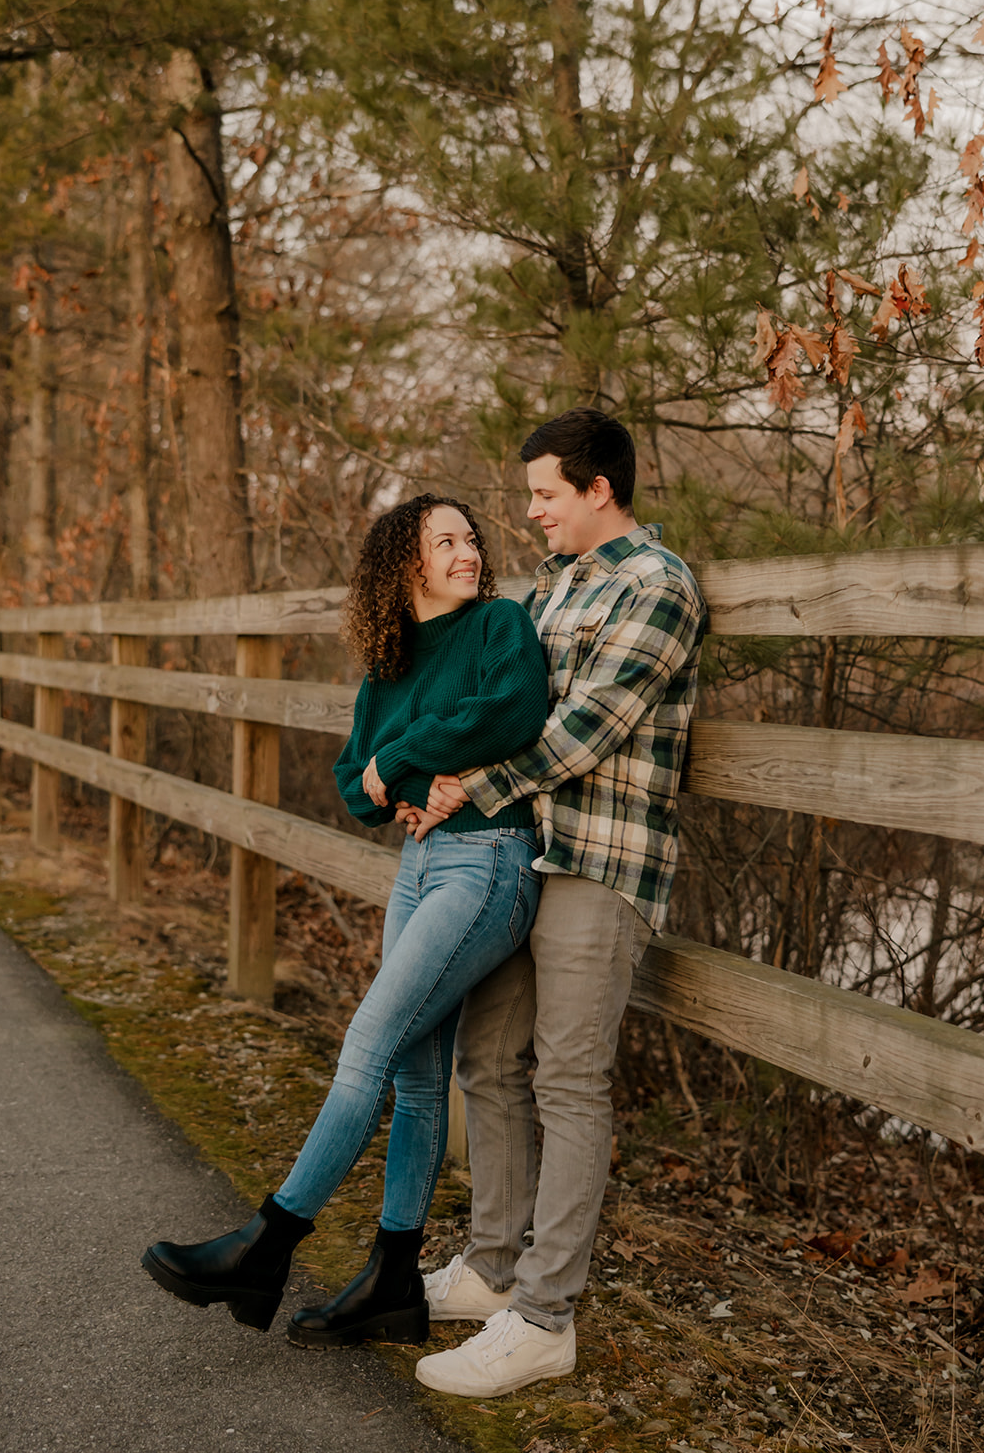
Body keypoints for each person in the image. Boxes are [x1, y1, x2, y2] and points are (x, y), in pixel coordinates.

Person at [141, 494, 549, 1348]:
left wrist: (400, 762)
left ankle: (269, 1241)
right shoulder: (389, 665)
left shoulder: (500, 627)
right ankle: (393, 1283)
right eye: (445, 542)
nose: (467, 553)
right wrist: (408, 780)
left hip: (488, 863)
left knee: (367, 1045)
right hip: (420, 866)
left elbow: (508, 712)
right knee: (413, 1075)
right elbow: (346, 784)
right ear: (407, 565)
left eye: (470, 539)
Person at [409, 408, 707, 1398]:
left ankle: (544, 1319)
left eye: (543, 492)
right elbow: (502, 700)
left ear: (597, 490)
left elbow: (583, 734)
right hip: (519, 856)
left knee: (568, 1079)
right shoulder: (551, 588)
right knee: (488, 1056)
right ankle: (492, 1271)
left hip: (599, 861)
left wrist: (468, 787)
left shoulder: (658, 589)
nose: (528, 511)